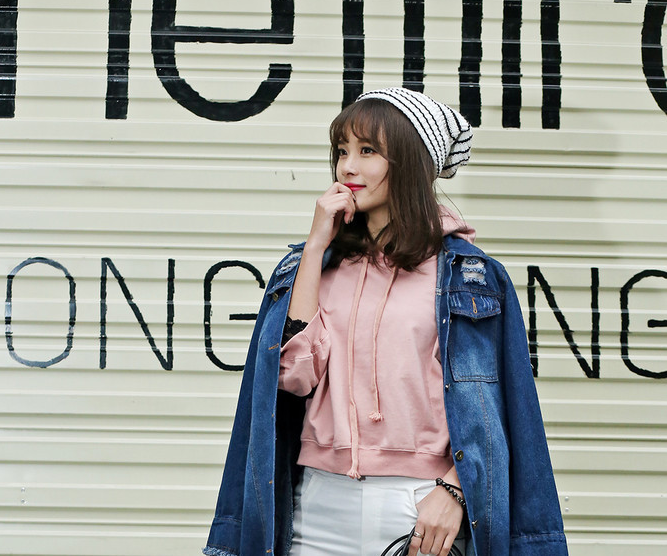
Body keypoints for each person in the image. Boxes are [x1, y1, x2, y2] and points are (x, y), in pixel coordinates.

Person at [203, 87, 568, 556]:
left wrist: (455, 490)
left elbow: (505, 409)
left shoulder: (471, 277)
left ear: (411, 163)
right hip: (317, 507)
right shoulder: (313, 268)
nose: (347, 167)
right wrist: (314, 248)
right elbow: (292, 376)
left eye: (367, 151)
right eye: (342, 151)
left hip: (421, 509)